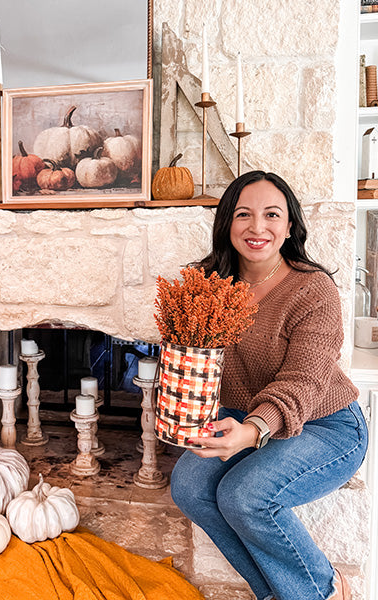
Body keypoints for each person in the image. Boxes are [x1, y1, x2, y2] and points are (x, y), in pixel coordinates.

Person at [170, 171, 368, 600]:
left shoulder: (312, 290)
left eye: (272, 215)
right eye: (243, 214)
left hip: (325, 424)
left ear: (289, 226)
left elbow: (304, 379)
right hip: (242, 416)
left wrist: (252, 431)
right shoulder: (207, 286)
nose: (257, 227)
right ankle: (280, 593)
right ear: (227, 223)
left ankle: (325, 590)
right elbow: (192, 361)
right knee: (188, 487)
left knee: (244, 496)